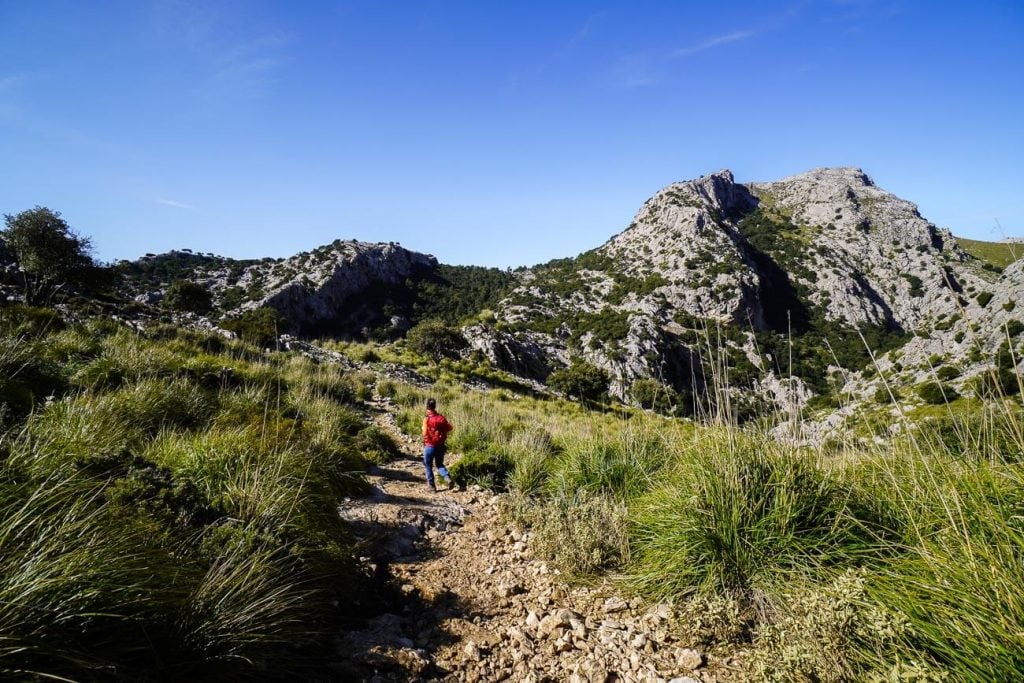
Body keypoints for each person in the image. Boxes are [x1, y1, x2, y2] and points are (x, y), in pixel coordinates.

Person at [422, 397, 453, 491]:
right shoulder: (441, 418)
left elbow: (424, 433)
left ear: (427, 407)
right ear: (435, 406)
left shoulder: (426, 419)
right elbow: (449, 428)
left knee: (428, 465)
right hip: (440, 446)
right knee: (439, 464)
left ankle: (431, 486)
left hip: (429, 446)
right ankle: (447, 477)